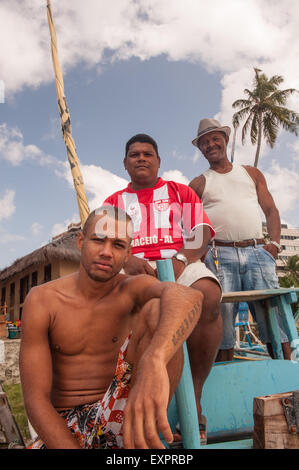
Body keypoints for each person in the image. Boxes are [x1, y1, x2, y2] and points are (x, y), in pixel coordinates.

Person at [20, 205, 203, 450]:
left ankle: (140, 445)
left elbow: (187, 296)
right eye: (98, 241)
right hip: (64, 426)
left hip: (124, 418)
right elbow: (36, 400)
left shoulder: (131, 289)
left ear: (127, 255)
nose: (107, 252)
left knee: (160, 310)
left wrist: (155, 359)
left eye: (118, 245)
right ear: (81, 242)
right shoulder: (42, 300)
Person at [104, 134, 223, 443]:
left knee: (208, 294)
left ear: (158, 161)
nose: (141, 158)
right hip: (136, 272)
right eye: (134, 154)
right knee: (143, 312)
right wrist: (127, 259)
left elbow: (199, 232)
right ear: (125, 163)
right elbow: (106, 243)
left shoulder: (178, 191)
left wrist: (182, 260)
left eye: (147, 153)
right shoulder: (114, 202)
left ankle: (194, 397)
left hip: (180, 263)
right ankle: (135, 405)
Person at [189, 118, 291, 362]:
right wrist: (199, 257)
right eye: (204, 142)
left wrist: (274, 246)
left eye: (215, 138)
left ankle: (288, 375)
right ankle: (229, 386)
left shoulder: (251, 173)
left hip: (257, 252)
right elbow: (190, 226)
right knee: (221, 323)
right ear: (200, 149)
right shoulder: (198, 183)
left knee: (272, 316)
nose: (210, 145)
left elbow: (271, 211)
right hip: (218, 255)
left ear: (225, 140)